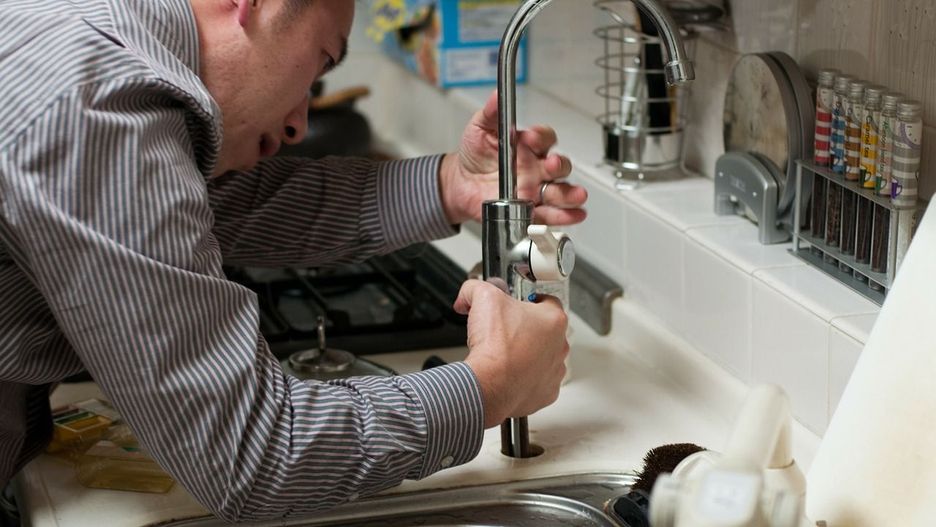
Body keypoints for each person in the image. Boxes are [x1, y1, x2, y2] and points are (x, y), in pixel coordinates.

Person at [0, 0, 588, 522]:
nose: (297, 123)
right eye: (321, 61)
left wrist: (451, 185)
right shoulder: (99, 106)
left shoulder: (95, 40)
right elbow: (252, 455)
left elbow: (227, 206)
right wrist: (492, 385)